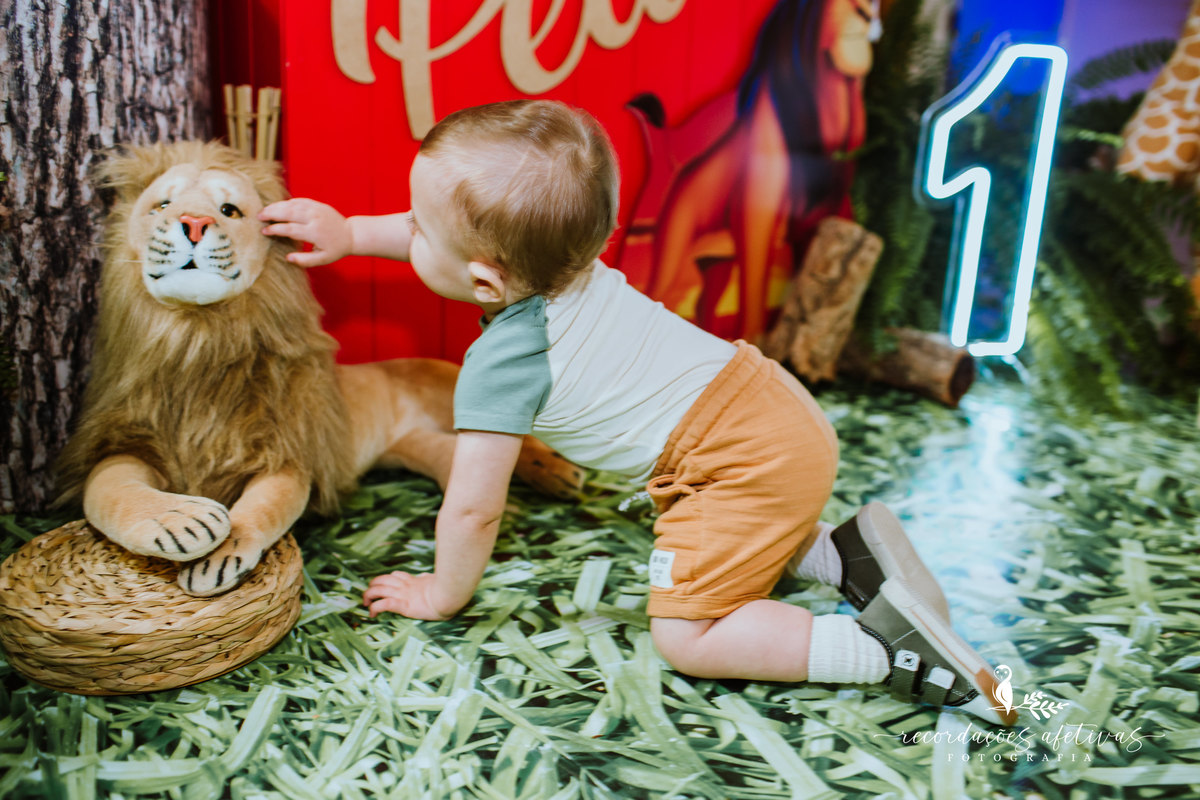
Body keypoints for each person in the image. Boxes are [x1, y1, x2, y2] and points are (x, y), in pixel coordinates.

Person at [260, 99, 1014, 726]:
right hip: (773, 406)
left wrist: (442, 592)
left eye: (415, 227)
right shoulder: (565, 258)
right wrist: (351, 233)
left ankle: (882, 653)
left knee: (689, 634)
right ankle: (847, 556)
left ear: (486, 282)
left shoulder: (505, 364)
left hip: (731, 463)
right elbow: (449, 242)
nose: (407, 230)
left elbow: (473, 508)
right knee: (742, 533)